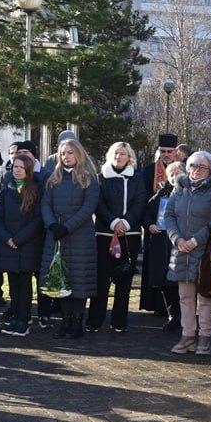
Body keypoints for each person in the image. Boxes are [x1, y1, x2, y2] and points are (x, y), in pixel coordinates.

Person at [166, 151, 211, 355]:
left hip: (203, 251)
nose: (196, 170)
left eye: (202, 167)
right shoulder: (179, 189)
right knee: (185, 296)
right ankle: (187, 335)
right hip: (180, 250)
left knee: (205, 297)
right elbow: (169, 216)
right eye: (192, 165)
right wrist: (177, 239)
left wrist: (194, 241)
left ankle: (204, 338)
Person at [40, 138, 100, 339]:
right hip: (57, 236)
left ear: (78, 154)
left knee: (79, 280)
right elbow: (45, 204)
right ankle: (65, 322)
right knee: (61, 279)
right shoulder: (53, 178)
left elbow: (88, 207)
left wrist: (68, 227)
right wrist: (52, 225)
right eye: (63, 153)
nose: (66, 157)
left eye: (70, 153)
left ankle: (77, 323)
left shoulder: (89, 178)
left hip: (80, 237)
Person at [89, 141, 146, 333]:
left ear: (129, 157)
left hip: (129, 235)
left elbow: (140, 203)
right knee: (101, 278)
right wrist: (113, 222)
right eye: (115, 153)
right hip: (104, 234)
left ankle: (119, 321)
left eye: (122, 153)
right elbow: (98, 204)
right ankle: (95, 320)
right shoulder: (100, 178)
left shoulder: (137, 179)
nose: (118, 157)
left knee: (124, 279)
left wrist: (126, 223)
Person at [0, 153, 45, 336]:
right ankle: (14, 317)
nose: (17, 170)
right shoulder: (5, 189)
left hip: (27, 244)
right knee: (13, 284)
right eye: (15, 166)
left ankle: (24, 320)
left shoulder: (36, 190)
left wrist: (19, 239)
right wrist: (7, 238)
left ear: (28, 170)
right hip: (8, 244)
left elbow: (38, 220)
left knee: (24, 284)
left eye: (21, 167)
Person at [139, 134, 182, 329]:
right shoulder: (148, 171)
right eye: (162, 151)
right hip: (157, 232)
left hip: (177, 236)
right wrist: (149, 224)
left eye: (169, 151)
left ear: (175, 152)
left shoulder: (184, 171)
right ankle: (157, 306)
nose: (166, 154)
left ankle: (176, 313)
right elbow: (146, 203)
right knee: (156, 270)